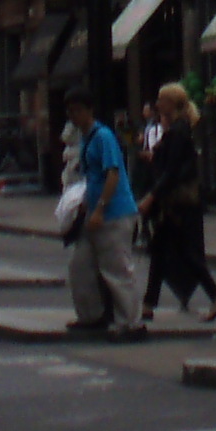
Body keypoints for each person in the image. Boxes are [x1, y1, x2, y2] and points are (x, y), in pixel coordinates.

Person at [140, 84, 216, 322]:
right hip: (177, 202)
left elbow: (172, 171)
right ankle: (148, 304)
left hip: (178, 203)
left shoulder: (178, 131)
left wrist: (151, 197)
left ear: (171, 103)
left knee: (184, 253)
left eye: (161, 100)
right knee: (161, 250)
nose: (158, 104)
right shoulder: (177, 129)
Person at [64, 88, 142, 338]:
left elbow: (113, 173)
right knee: (81, 266)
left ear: (90, 110)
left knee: (117, 269)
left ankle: (130, 323)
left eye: (78, 110)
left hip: (114, 212)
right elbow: (92, 177)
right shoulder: (86, 138)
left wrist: (100, 208)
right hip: (93, 212)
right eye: (70, 111)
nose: (74, 116)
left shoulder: (103, 136)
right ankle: (91, 315)